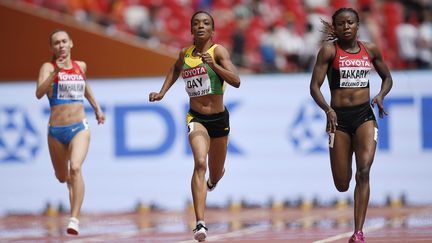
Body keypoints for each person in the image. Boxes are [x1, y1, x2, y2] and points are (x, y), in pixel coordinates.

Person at [149, 10, 240, 242]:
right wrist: (161, 92)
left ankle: (213, 181)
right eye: (196, 23)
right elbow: (175, 69)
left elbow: (236, 81)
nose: (200, 26)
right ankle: (200, 223)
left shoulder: (218, 51)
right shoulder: (185, 54)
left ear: (212, 30)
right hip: (196, 118)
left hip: (219, 120)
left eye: (206, 23)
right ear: (191, 30)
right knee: (200, 162)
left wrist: (215, 66)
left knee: (215, 172)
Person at [309, 8, 393, 243]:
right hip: (339, 120)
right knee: (342, 183)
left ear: (358, 25)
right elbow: (314, 86)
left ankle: (358, 232)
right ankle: (355, 223)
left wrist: (380, 96)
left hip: (364, 116)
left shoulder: (370, 50)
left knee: (364, 171)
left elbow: (388, 77)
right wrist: (328, 109)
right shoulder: (328, 51)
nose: (346, 27)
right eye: (341, 24)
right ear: (334, 28)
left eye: (351, 23)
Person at [36, 30, 105, 235]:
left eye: (64, 41)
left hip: (79, 127)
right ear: (52, 48)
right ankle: (70, 187)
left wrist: (97, 109)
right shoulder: (47, 67)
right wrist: (54, 74)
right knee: (62, 175)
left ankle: (74, 218)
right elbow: (39, 93)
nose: (61, 45)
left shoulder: (80, 66)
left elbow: (85, 87)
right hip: (56, 130)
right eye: (56, 43)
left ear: (71, 44)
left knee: (75, 168)